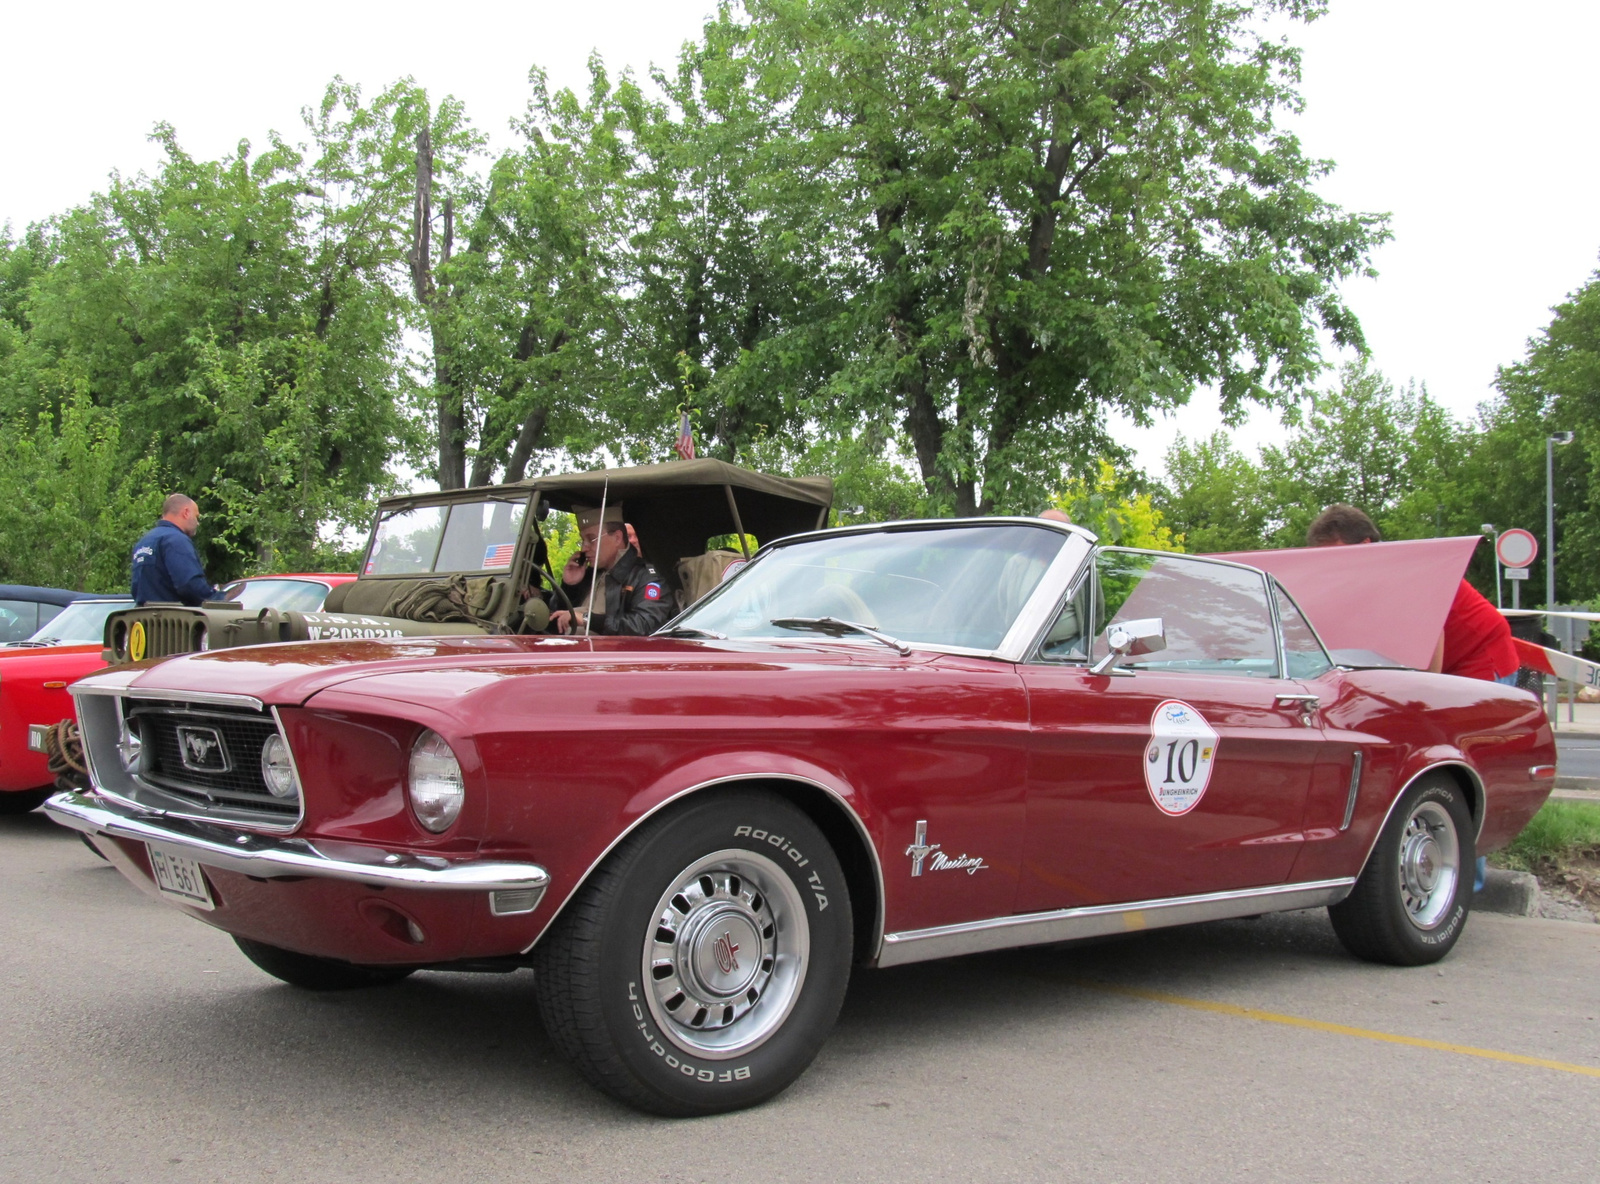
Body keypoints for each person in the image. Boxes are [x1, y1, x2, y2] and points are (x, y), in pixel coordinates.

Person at [1307, 503, 1519, 894]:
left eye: (1338, 552)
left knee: (1466, 765)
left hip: (1480, 660)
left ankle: (1462, 886)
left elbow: (1429, 645)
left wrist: (1420, 701)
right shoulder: (1369, 579)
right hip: (1456, 661)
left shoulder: (1412, 572)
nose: (1334, 563)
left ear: (1367, 545)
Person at [549, 503, 675, 636]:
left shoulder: (645, 578)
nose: (584, 548)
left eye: (591, 539)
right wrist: (570, 587)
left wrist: (588, 619)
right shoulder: (589, 574)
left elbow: (644, 625)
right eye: (582, 540)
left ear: (617, 538)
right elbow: (555, 621)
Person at [130, 494, 221, 606]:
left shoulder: (143, 542)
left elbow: (136, 589)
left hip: (144, 618)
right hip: (173, 619)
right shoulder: (176, 540)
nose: (197, 523)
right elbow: (189, 585)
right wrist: (217, 598)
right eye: (196, 517)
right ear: (186, 512)